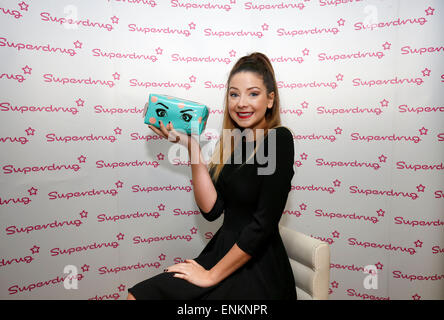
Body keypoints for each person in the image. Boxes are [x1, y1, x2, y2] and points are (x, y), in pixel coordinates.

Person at [127, 52, 296, 300]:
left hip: (257, 269)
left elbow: (262, 226)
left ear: (270, 100)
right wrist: (191, 146)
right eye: (234, 94)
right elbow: (212, 210)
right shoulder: (234, 143)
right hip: (222, 254)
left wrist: (211, 276)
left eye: (253, 93)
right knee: (139, 296)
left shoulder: (279, 140)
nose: (241, 103)